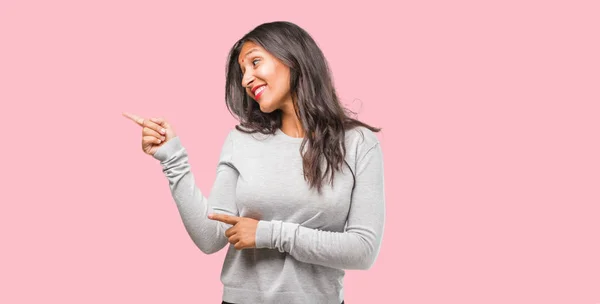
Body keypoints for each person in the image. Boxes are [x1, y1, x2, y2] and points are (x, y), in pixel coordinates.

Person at [123, 21, 385, 304]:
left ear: (293, 59)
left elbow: (363, 250)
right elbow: (212, 236)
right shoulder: (242, 139)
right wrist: (172, 158)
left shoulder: (358, 143)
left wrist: (268, 234)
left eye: (255, 63)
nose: (246, 80)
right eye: (242, 72)